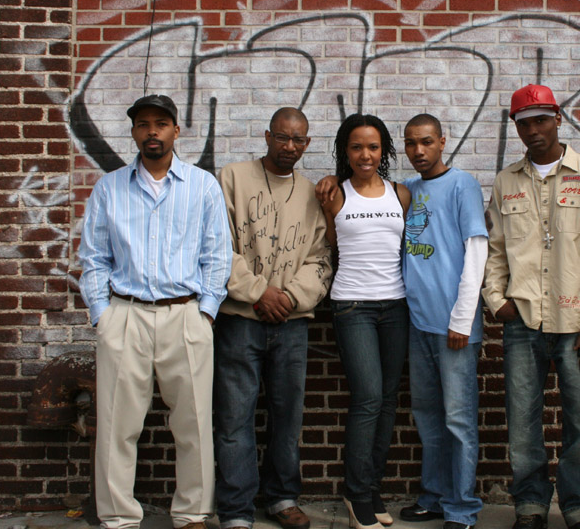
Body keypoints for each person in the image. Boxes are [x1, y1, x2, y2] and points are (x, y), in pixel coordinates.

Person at [78, 94, 232, 529]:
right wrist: (102, 316)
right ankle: (118, 517)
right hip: (125, 316)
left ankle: (192, 513)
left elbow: (217, 256)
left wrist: (205, 313)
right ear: (133, 133)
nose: (152, 131)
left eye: (160, 124)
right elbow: (93, 258)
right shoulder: (109, 188)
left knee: (194, 424)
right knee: (116, 425)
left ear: (175, 131)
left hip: (185, 315)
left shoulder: (202, 186)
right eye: (143, 124)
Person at [482, 84, 580, 529]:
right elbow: (495, 248)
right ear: (515, 126)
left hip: (576, 322)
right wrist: (496, 300)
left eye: (541, 119)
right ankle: (530, 505)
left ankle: (579, 506)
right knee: (523, 417)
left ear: (558, 118)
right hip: (523, 321)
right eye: (524, 122)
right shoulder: (507, 181)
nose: (533, 130)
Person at [212, 108, 333, 529]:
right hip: (239, 319)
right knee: (233, 417)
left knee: (288, 416)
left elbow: (320, 258)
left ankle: (282, 498)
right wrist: (257, 292)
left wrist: (291, 299)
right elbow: (216, 245)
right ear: (267, 136)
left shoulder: (310, 193)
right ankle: (235, 511)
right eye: (282, 138)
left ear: (308, 143)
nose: (290, 147)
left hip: (292, 323)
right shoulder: (232, 177)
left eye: (298, 140)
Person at [318, 113, 411, 529]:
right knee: (369, 398)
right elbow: (330, 247)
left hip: (396, 306)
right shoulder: (335, 194)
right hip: (352, 306)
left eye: (373, 146)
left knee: (388, 401)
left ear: (384, 151)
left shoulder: (401, 195)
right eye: (356, 146)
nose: (365, 154)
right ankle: (356, 497)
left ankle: (372, 490)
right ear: (345, 151)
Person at [395, 115, 487, 529]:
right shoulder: (408, 190)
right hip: (418, 323)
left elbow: (476, 250)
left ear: (443, 142)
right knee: (428, 415)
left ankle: (462, 508)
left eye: (427, 142)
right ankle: (433, 497)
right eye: (411, 144)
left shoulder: (462, 184)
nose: (419, 151)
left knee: (458, 419)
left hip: (454, 326)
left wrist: (463, 319)